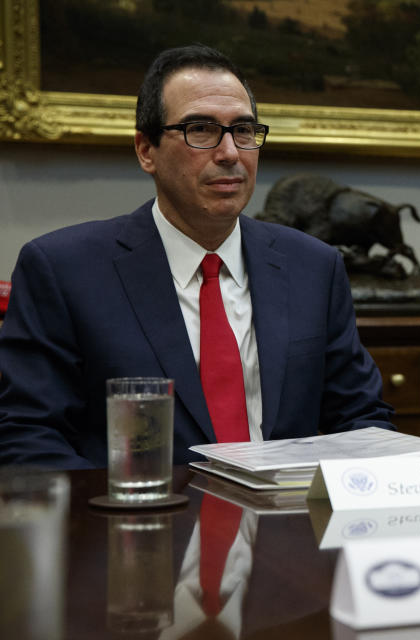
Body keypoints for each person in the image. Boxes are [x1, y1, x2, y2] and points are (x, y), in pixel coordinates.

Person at [0, 45, 394, 470]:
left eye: (243, 130)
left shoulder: (313, 267)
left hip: (286, 528)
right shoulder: (63, 270)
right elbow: (28, 438)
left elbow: (362, 421)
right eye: (200, 129)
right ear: (145, 150)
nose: (229, 153)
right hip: (138, 526)